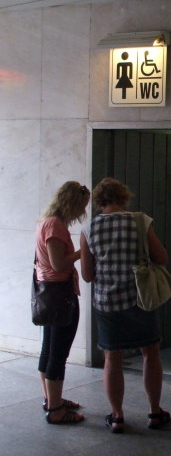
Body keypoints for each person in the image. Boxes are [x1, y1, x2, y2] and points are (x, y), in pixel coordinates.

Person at [80, 177, 171, 433]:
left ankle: (117, 416)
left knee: (112, 359)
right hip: (141, 300)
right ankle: (154, 412)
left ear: (99, 201)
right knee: (150, 353)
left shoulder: (88, 229)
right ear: (123, 197)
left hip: (108, 303)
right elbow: (161, 257)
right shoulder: (140, 220)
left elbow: (87, 275)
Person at [35, 181, 90, 424]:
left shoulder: (47, 222)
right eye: (81, 207)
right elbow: (59, 263)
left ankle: (51, 399)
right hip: (60, 295)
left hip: (50, 294)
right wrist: (84, 250)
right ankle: (56, 410)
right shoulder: (55, 226)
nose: (81, 213)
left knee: (49, 348)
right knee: (58, 352)